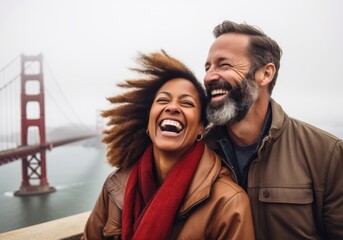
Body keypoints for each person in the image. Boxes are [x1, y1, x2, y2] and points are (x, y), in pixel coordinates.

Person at [203, 20, 343, 240]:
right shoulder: (198, 151)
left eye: (224, 65)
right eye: (207, 67)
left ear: (266, 74)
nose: (209, 77)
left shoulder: (327, 155)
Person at [82, 50, 255, 240]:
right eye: (163, 100)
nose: (172, 107)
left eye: (187, 103)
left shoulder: (228, 203)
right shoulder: (115, 187)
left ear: (200, 128)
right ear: (149, 121)